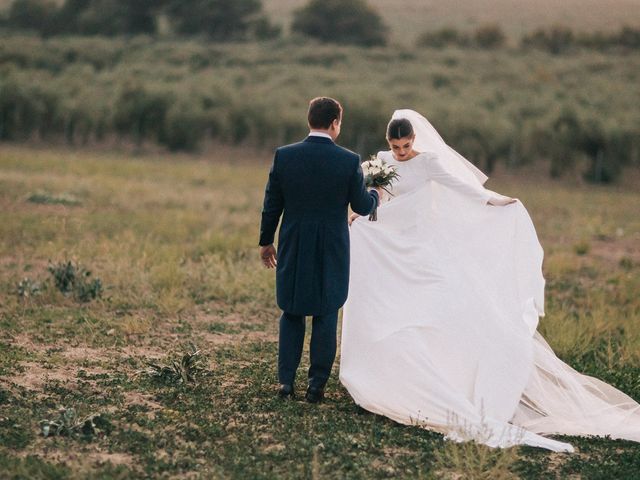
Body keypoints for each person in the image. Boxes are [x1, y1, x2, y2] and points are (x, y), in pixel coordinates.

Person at [340, 109, 640, 452]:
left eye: (405, 146)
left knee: (434, 303)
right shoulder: (380, 162)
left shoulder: (429, 162)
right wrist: (357, 214)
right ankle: (391, 370)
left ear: (414, 140)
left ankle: (446, 372)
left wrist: (493, 200)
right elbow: (373, 196)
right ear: (387, 143)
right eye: (395, 147)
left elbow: (459, 185)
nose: (401, 153)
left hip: (421, 242)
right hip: (392, 240)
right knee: (393, 303)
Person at [259, 97, 380, 403]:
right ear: (335, 123)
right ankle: (316, 385)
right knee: (326, 313)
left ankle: (286, 382)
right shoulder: (348, 161)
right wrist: (376, 193)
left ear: (309, 119)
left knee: (292, 311)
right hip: (332, 247)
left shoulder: (285, 156)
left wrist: (265, 241)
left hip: (294, 243)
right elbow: (361, 205)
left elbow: (272, 202)